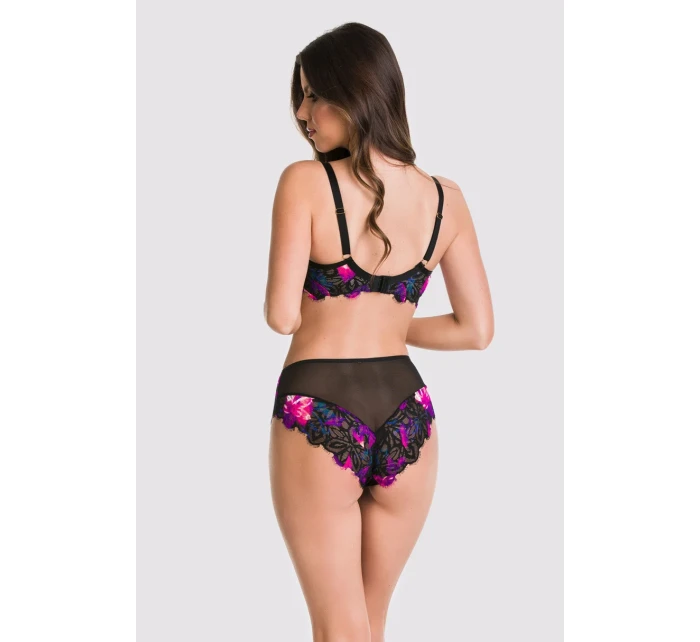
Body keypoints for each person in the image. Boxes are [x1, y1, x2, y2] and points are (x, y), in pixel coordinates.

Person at [264, 22, 494, 642]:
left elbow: (282, 316)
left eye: (316, 95)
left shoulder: (304, 182)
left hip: (319, 405)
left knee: (338, 630)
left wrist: (343, 311)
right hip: (408, 413)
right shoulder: (446, 198)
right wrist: (389, 324)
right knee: (369, 625)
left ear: (358, 91)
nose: (303, 113)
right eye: (301, 96)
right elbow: (476, 330)